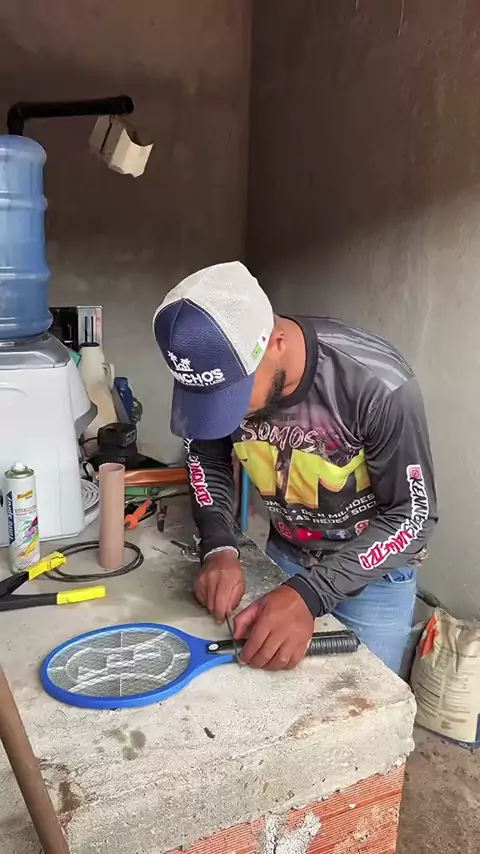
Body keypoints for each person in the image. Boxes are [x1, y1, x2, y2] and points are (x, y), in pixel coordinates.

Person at [153, 262, 438, 674]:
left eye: (234, 395)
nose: (229, 413)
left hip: (373, 578)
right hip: (285, 554)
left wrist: (311, 593)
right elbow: (207, 455)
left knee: (367, 701)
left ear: (276, 342)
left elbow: (413, 515)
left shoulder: (378, 385)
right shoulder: (215, 368)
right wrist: (218, 546)